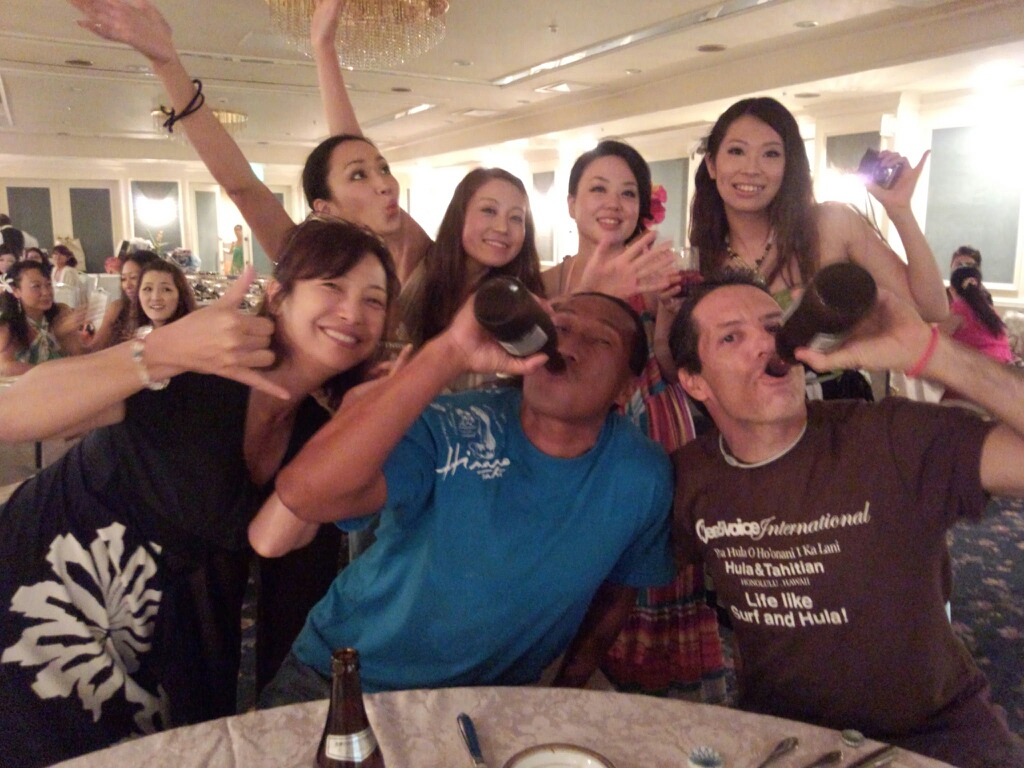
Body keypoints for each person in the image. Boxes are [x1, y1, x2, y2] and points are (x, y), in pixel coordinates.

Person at [0, 217, 401, 768]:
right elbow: (13, 413)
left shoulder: (313, 433)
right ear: (278, 295)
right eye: (332, 285)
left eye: (373, 300)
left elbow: (285, 582)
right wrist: (159, 351)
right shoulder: (199, 360)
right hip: (40, 591)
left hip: (161, 646)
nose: (353, 311)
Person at [667, 271, 1024, 768]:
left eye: (774, 326)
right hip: (789, 739)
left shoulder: (889, 437)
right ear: (694, 380)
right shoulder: (690, 478)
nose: (765, 344)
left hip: (933, 736)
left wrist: (930, 352)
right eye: (731, 337)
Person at [249, 290, 674, 702]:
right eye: (560, 327)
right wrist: (450, 351)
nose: (568, 346)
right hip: (345, 679)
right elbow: (307, 497)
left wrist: (564, 692)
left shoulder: (642, 475)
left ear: (627, 388)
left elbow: (617, 595)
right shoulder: (452, 423)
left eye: (602, 341)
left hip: (491, 701)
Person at [69, 0, 430, 286]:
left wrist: (324, 47)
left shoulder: (409, 243)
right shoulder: (310, 263)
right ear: (325, 208)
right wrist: (167, 64)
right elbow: (242, 186)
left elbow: (350, 145)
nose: (385, 184)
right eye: (358, 176)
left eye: (384, 169)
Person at [542, 139, 723, 701]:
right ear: (571, 203)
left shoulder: (659, 273)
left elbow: (665, 362)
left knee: (652, 552)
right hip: (581, 427)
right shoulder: (547, 283)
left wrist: (667, 315)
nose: (613, 203)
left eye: (627, 193)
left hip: (656, 421)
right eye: (598, 189)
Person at [691, 97, 947, 322]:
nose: (751, 169)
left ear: (789, 167)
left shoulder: (831, 225)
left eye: (771, 154)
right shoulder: (700, 260)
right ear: (712, 165)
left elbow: (931, 309)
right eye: (737, 151)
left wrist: (900, 210)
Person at [397, 166, 544, 350]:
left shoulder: (524, 299)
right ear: (460, 215)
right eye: (489, 210)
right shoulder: (421, 263)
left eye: (516, 218)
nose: (502, 228)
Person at [0, 260, 84, 375]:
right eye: (36, 286)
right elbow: (5, 367)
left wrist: (66, 335)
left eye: (48, 285)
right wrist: (51, 372)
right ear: (16, 291)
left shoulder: (60, 312)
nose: (45, 292)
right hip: (34, 384)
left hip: (66, 378)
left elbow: (79, 356)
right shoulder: (9, 326)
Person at [89, 249, 160, 351]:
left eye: (134, 277)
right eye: (123, 279)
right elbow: (94, 348)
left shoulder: (160, 311)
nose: (127, 285)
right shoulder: (117, 308)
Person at [134, 259, 197, 329]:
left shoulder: (194, 333)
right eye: (148, 289)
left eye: (166, 290)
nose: (155, 297)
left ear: (181, 295)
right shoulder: (137, 332)